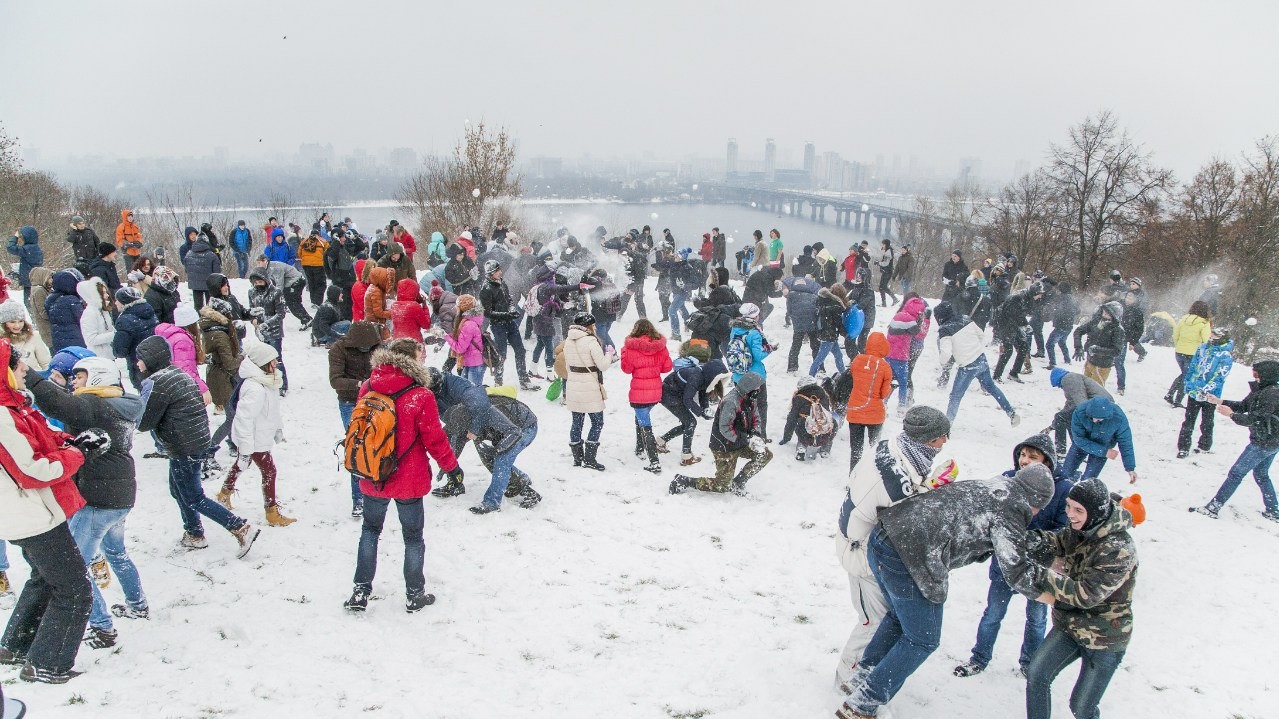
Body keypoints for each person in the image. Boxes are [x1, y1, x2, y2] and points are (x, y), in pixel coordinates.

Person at [837, 463, 1056, 719]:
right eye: (1039, 507)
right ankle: (862, 704)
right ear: (1035, 500)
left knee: (900, 617)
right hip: (908, 556)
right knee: (923, 638)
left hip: (884, 537)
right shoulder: (1012, 506)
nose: (1037, 512)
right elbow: (1016, 571)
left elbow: (1004, 537)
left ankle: (859, 680)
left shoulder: (995, 486)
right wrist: (1055, 597)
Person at [27, 355, 148, 650]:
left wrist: (26, 373)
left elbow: (56, 403)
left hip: (98, 499)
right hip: (119, 494)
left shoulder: (94, 405)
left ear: (97, 378)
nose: (73, 382)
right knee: (116, 553)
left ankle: (102, 627)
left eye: (79, 377)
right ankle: (138, 604)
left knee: (76, 567)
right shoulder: (119, 403)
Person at [833, 406, 953, 691]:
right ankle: (845, 682)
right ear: (926, 438)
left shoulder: (893, 447)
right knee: (873, 622)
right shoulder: (895, 480)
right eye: (941, 437)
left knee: (884, 619)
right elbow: (907, 518)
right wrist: (936, 487)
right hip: (861, 551)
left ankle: (865, 675)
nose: (945, 442)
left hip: (869, 543)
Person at [344, 339, 462, 613]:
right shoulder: (420, 395)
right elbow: (435, 439)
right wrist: (452, 467)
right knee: (412, 537)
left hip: (373, 472)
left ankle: (360, 592)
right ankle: (414, 594)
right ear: (411, 360)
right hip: (408, 477)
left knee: (370, 532)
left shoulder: (368, 386)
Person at [0, 340, 91, 684]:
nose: (26, 368)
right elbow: (31, 468)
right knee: (74, 587)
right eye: (18, 363)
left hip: (26, 510)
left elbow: (38, 441)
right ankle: (47, 664)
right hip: (30, 513)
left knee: (44, 577)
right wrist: (76, 457)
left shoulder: (13, 407)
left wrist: (70, 442)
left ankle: (14, 645)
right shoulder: (2, 414)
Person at [953, 434, 1070, 678]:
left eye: (1032, 457)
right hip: (1004, 564)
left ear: (1047, 462)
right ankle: (979, 658)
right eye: (1022, 454)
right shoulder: (1008, 480)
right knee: (993, 613)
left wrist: (1030, 542)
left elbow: (1063, 531)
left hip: (1040, 566)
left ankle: (1030, 664)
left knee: (1037, 619)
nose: (1024, 461)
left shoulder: (1063, 489)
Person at [134, 336, 259, 557]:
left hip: (183, 446)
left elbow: (143, 422)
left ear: (151, 359)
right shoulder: (179, 373)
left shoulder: (156, 383)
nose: (137, 364)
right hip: (196, 439)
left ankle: (239, 527)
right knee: (177, 489)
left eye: (140, 359)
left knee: (193, 496)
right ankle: (194, 533)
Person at [1026, 479, 1138, 719]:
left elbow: (1084, 595)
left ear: (1095, 513)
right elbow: (1058, 542)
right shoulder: (1081, 529)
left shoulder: (1118, 548)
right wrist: (1029, 539)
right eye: (1068, 506)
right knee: (1037, 674)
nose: (1070, 515)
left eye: (1078, 510)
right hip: (1071, 626)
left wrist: (1039, 575)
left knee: (1081, 706)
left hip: (1105, 637)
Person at [216, 341, 295, 527]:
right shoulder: (255, 388)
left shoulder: (267, 381)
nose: (276, 363)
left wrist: (277, 429)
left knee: (242, 464)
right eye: (273, 360)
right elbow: (243, 420)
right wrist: (245, 448)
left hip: (261, 435)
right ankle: (272, 512)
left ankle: (224, 493)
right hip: (254, 439)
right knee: (269, 471)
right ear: (262, 363)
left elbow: (272, 410)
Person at [1190, 360, 1279, 522]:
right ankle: (1273, 511)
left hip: (1264, 443)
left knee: (1236, 473)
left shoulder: (1272, 394)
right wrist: (1220, 401)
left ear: (1267, 375)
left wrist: (1231, 415)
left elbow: (1255, 418)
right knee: (1261, 474)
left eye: (1257, 374)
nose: (1255, 377)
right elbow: (1244, 405)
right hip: (1269, 442)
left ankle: (1213, 507)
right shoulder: (1262, 389)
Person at [670, 371, 771, 496]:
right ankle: (684, 481)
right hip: (724, 447)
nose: (758, 390)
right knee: (722, 486)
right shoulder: (731, 402)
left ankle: (738, 482)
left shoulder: (750, 399)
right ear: (749, 387)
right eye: (757, 388)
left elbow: (756, 418)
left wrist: (756, 434)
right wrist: (746, 440)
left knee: (764, 455)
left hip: (741, 442)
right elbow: (725, 428)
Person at [935, 302, 1018, 425]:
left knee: (955, 396)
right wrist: (976, 348)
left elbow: (946, 352)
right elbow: (981, 335)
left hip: (967, 366)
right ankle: (1011, 413)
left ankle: (947, 424)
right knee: (992, 388)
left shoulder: (945, 330)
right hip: (981, 359)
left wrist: (943, 362)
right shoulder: (966, 319)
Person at [656, 341, 724, 466]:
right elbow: (688, 400)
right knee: (691, 422)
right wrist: (700, 412)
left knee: (687, 424)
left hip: (675, 394)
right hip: (668, 395)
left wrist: (705, 409)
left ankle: (660, 441)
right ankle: (686, 456)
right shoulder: (696, 375)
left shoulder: (704, 376)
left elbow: (703, 393)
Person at [559, 312, 612, 470]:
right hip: (590, 387)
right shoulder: (591, 341)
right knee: (597, 422)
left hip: (574, 386)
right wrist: (609, 354)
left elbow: (567, 366)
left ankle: (577, 458)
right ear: (588, 326)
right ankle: (589, 458)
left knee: (577, 422)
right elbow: (602, 365)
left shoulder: (568, 340)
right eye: (593, 324)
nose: (595, 327)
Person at [621, 319, 672, 474]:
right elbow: (667, 367)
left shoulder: (630, 347)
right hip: (655, 391)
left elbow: (626, 369)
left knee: (645, 425)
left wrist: (625, 354)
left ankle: (654, 461)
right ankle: (639, 447)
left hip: (639, 392)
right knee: (641, 417)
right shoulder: (660, 346)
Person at [1177, 327, 1234, 458]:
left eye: (1215, 336)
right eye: (1211, 335)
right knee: (1189, 420)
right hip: (1194, 391)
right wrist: (1188, 383)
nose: (1211, 338)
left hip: (1211, 395)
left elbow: (1220, 376)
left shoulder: (1225, 355)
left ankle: (1205, 445)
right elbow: (1193, 366)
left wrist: (1206, 389)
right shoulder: (1202, 348)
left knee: (1207, 420)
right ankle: (1183, 447)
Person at [479, 262, 536, 390]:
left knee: (520, 350)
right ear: (490, 273)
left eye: (500, 269)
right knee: (501, 354)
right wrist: (506, 314)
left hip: (510, 323)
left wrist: (512, 309)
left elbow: (509, 299)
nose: (500, 272)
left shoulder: (502, 283)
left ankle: (524, 379)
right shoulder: (486, 289)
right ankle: (498, 382)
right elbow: (487, 312)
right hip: (498, 326)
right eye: (497, 270)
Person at [844, 331, 894, 472]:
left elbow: (854, 378)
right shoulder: (885, 367)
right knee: (875, 449)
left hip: (855, 411)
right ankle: (872, 477)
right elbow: (883, 393)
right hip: (875, 414)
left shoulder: (857, 360)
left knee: (856, 450)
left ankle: (853, 478)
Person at [1061, 397, 1138, 484]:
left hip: (1104, 446)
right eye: (1092, 417)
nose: (1094, 421)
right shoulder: (1080, 412)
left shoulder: (1119, 418)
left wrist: (1130, 468)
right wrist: (1104, 452)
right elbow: (1078, 439)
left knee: (1088, 481)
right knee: (1065, 474)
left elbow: (1126, 442)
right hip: (1083, 445)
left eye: (1098, 419)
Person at [1047, 367, 1113, 464]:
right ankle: (1079, 450)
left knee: (1062, 418)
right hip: (1103, 404)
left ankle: (1062, 451)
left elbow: (1081, 401)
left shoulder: (1069, 379)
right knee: (1065, 418)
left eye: (1058, 385)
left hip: (1099, 405)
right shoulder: (1072, 378)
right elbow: (1069, 406)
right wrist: (1053, 426)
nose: (1060, 387)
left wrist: (1084, 419)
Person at [725, 302, 772, 435]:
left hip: (738, 375)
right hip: (755, 376)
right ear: (755, 316)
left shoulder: (735, 329)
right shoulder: (754, 332)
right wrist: (769, 349)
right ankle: (760, 433)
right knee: (761, 405)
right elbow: (757, 356)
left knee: (743, 405)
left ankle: (744, 432)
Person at [247, 267, 289, 395]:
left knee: (276, 358)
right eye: (256, 282)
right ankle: (268, 381)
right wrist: (253, 320)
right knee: (264, 358)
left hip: (274, 331)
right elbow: (251, 310)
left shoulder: (276, 293)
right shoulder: (251, 292)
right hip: (260, 331)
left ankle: (282, 384)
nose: (258, 285)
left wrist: (267, 323)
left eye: (260, 282)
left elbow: (281, 313)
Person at [1165, 300, 1212, 407]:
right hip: (1193, 353)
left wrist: (1179, 346)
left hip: (1179, 352)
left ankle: (1170, 394)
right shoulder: (1204, 323)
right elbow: (1206, 340)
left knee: (1184, 375)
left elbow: (1175, 335)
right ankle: (1177, 400)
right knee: (1187, 377)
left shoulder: (1183, 319)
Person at [199, 299, 241, 415]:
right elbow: (230, 364)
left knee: (230, 418)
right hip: (224, 379)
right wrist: (242, 356)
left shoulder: (209, 328)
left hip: (216, 375)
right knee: (231, 419)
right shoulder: (220, 335)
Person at [885, 297, 926, 413]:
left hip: (888, 354)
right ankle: (901, 406)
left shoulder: (897, 316)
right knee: (903, 382)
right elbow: (918, 334)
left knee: (887, 380)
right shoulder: (911, 321)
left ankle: (883, 402)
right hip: (901, 356)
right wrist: (923, 320)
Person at [111, 287, 158, 388]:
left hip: (138, 366)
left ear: (124, 302)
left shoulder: (124, 320)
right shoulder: (149, 311)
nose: (115, 303)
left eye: (117, 300)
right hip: (156, 361)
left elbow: (119, 351)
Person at [1072, 301, 1126, 388]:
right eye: (1104, 312)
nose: (1104, 315)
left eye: (1108, 314)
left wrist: (1097, 350)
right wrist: (1078, 347)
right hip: (1090, 362)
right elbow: (1078, 331)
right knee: (1084, 388)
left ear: (1114, 316)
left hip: (1102, 366)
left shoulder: (1117, 330)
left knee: (1095, 391)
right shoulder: (1096, 322)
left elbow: (1116, 351)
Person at [779, 377, 835, 460]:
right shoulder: (824, 395)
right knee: (831, 424)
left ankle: (801, 448)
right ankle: (825, 449)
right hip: (823, 430)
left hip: (806, 430)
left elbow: (792, 419)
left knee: (801, 423)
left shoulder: (799, 398)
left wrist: (786, 438)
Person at [441, 294, 486, 386]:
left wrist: (445, 336)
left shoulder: (468, 324)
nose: (456, 308)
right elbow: (462, 338)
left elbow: (460, 348)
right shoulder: (469, 321)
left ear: (463, 308)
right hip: (470, 362)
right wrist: (448, 334)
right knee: (466, 392)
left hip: (474, 364)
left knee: (472, 394)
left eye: (458, 306)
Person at [254, 254, 311, 326]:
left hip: (296, 281)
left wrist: (277, 296)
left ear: (265, 261)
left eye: (259, 263)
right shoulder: (267, 268)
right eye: (257, 263)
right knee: (291, 302)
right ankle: (306, 319)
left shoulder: (274, 267)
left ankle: (306, 319)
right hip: (289, 283)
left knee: (292, 302)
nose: (258, 265)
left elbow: (279, 283)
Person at [781, 272, 821, 374]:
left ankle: (792, 367)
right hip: (812, 324)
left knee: (796, 345)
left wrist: (795, 319)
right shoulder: (814, 296)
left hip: (798, 324)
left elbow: (789, 311)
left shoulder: (791, 295)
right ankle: (819, 367)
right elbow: (817, 311)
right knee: (815, 346)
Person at [44, 270, 87, 353]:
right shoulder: (71, 300)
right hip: (76, 339)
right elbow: (82, 318)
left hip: (58, 338)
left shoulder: (50, 300)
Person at [810, 286, 848, 377]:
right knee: (820, 358)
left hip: (825, 332)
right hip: (830, 335)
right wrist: (846, 333)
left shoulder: (823, 300)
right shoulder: (835, 304)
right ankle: (810, 376)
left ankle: (843, 374)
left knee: (838, 355)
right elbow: (838, 322)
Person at [0, 302, 50, 372]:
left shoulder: (34, 337)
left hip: (33, 380)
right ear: (4, 323)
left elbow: (46, 364)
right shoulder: (1, 341)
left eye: (20, 321)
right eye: (12, 322)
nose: (17, 325)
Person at [181, 227, 221, 312]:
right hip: (209, 284)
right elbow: (217, 272)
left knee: (198, 306)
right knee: (210, 305)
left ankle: (199, 320)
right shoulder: (211, 254)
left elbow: (187, 268)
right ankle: (210, 320)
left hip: (195, 284)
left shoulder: (189, 254)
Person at [77, 277, 116, 360]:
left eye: (106, 292)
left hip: (108, 355)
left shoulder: (103, 310)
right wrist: (114, 334)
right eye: (103, 293)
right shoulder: (89, 313)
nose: (107, 295)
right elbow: (91, 339)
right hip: (99, 357)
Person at [7, 227, 44, 309]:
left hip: (30, 281)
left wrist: (15, 237)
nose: (21, 239)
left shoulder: (28, 249)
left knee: (29, 304)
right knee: (32, 303)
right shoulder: (35, 248)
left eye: (22, 237)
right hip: (34, 280)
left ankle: (33, 320)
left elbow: (10, 248)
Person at [1046, 281, 1078, 369]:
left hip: (1061, 325)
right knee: (1062, 342)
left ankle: (1052, 363)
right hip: (1069, 326)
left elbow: (1058, 310)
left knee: (1049, 344)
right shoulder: (1073, 299)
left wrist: (1056, 315)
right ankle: (1067, 360)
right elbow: (1078, 311)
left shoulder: (1061, 298)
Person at [27, 268, 54, 344]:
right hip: (47, 329)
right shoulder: (39, 291)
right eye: (49, 278)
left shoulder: (40, 289)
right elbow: (43, 312)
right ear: (42, 277)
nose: (51, 280)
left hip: (47, 329)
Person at [875, 239, 897, 307]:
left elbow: (886, 263)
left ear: (886, 244)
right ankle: (886, 302)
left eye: (883, 244)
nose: (882, 245)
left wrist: (878, 263)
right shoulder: (887, 250)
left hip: (888, 272)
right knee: (882, 287)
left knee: (882, 287)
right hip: (886, 272)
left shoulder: (888, 252)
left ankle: (893, 299)